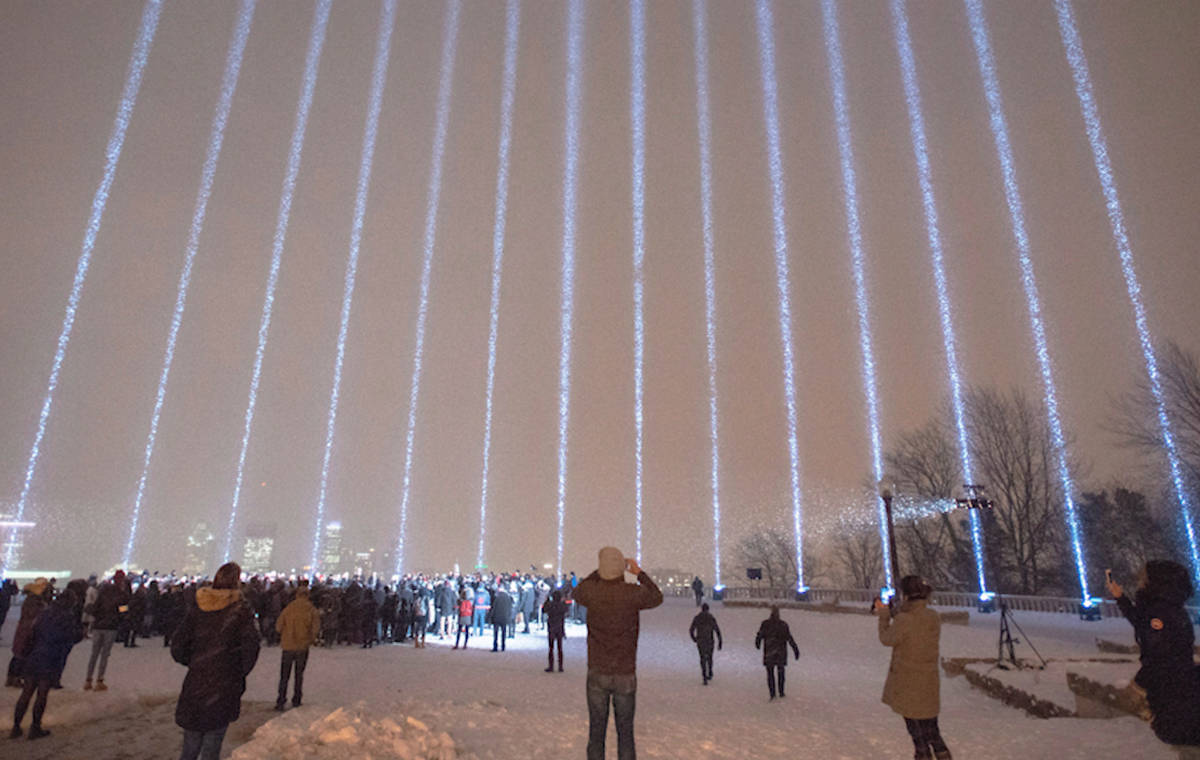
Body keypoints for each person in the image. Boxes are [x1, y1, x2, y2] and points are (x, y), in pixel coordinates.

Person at [573, 547, 663, 760]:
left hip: (597, 669)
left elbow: (578, 591)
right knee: (625, 734)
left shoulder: (592, 592)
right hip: (625, 671)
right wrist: (639, 573)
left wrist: (600, 571)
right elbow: (657, 596)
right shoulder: (632, 593)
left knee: (596, 733)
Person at [171, 562, 261, 760]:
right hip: (223, 685)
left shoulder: (199, 607)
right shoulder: (240, 611)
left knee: (190, 745)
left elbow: (178, 646)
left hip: (197, 683)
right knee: (212, 745)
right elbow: (251, 648)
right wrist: (234, 670)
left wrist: (197, 662)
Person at [1108, 561, 1200, 749]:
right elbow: (1144, 626)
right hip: (1179, 692)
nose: (1140, 580)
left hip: (1174, 696)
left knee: (1181, 737)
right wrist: (1121, 598)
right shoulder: (1165, 608)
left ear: (1157, 582)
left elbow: (1161, 657)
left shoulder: (1161, 612)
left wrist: (1141, 683)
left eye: (1145, 577)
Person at [873, 575, 950, 760]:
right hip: (928, 683)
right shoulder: (933, 617)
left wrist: (884, 615)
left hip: (909, 684)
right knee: (932, 731)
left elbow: (887, 638)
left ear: (906, 595)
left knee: (918, 735)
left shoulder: (905, 620)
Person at [10, 589, 82, 740]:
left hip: (35, 656)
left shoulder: (45, 612)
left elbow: (34, 632)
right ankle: (35, 727)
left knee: (27, 692)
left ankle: (16, 727)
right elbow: (70, 637)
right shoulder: (67, 617)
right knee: (42, 694)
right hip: (51, 658)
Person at [275, 581, 320, 711]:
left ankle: (281, 700)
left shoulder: (288, 608)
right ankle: (296, 699)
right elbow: (315, 629)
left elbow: (278, 627)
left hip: (287, 646)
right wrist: (311, 639)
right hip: (302, 646)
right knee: (299, 675)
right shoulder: (311, 609)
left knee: (284, 675)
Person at [84, 569, 130, 691]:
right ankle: (100, 680)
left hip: (98, 625)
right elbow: (123, 612)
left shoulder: (103, 591)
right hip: (111, 627)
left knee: (94, 654)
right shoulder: (123, 595)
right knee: (104, 654)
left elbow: (96, 607)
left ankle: (88, 680)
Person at [6, 578, 51, 688]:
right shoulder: (35, 601)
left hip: (25, 630)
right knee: (21, 655)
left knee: (19, 654)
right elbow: (33, 615)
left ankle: (12, 677)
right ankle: (15, 677)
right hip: (27, 631)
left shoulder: (32, 599)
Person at [755, 605, 799, 700]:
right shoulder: (783, 625)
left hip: (769, 651)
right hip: (780, 652)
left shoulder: (765, 624)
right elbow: (789, 638)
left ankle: (772, 693)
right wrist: (795, 650)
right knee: (781, 672)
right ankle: (781, 691)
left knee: (770, 673)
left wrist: (758, 643)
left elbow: (760, 635)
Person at [689, 602, 722, 685]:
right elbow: (717, 630)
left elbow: (691, 629)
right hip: (709, 640)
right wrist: (720, 641)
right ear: (708, 609)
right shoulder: (711, 618)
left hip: (701, 640)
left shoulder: (697, 618)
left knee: (702, 658)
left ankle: (704, 676)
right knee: (710, 657)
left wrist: (694, 639)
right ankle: (710, 672)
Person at [543, 588, 568, 673]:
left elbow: (544, 610)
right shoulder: (562, 605)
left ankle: (551, 666)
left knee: (551, 648)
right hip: (560, 627)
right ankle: (560, 666)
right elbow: (566, 610)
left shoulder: (550, 605)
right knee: (560, 648)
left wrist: (546, 601)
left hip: (551, 627)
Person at [491, 583, 513, 652]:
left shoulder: (497, 597)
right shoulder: (508, 597)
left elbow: (494, 608)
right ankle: (503, 646)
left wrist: (492, 616)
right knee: (504, 633)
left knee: (496, 633)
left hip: (497, 617)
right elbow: (510, 608)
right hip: (505, 617)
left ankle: (495, 646)